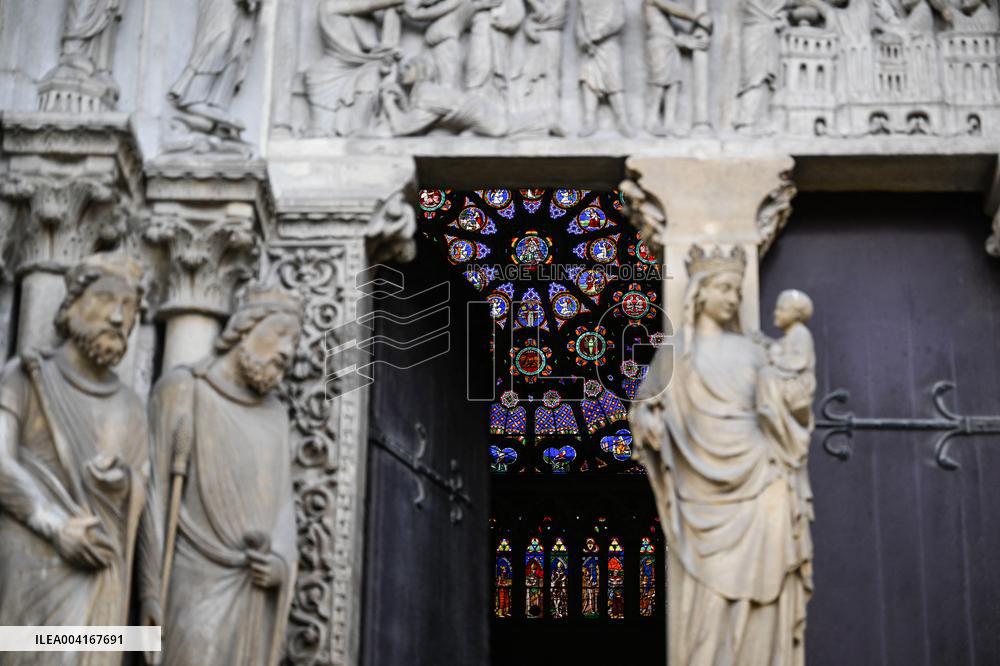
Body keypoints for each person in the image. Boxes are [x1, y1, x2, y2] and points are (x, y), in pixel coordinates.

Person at [630, 245, 813, 666]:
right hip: (701, 487)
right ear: (700, 291)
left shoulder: (756, 350)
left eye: (736, 290)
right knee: (709, 592)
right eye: (725, 288)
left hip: (762, 475)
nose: (733, 298)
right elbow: (644, 408)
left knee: (767, 585)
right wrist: (652, 423)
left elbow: (787, 402)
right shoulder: (676, 353)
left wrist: (799, 377)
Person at [0, 253, 160, 665]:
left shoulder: (131, 408)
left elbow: (148, 507)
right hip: (38, 566)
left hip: (105, 575)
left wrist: (151, 591)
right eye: (107, 298)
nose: (118, 317)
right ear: (71, 304)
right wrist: (55, 526)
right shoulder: (28, 375)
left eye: (130, 307)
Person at [152, 283, 303, 666]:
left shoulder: (275, 418)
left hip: (251, 592)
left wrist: (280, 566)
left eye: (295, 341)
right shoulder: (183, 390)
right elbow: (154, 500)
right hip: (191, 579)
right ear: (243, 328)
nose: (287, 351)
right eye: (281, 334)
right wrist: (148, 593)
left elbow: (284, 512)